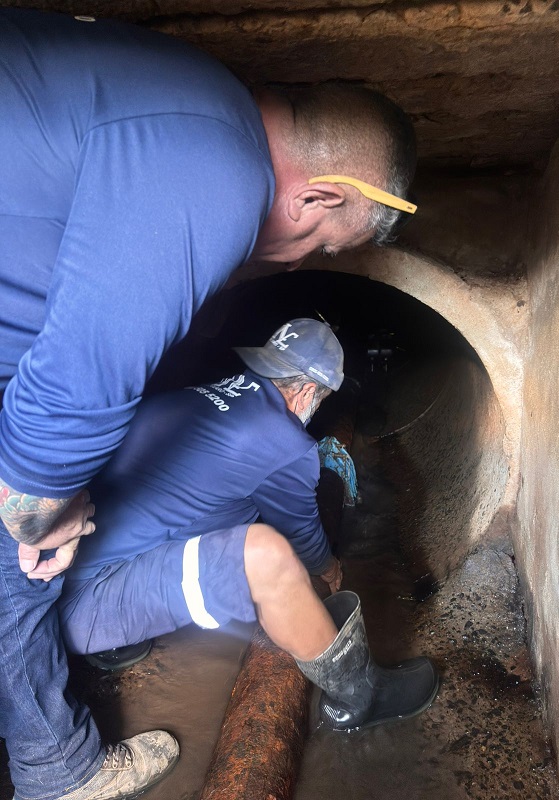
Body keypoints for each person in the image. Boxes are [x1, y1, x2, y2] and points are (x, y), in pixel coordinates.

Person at [0, 8, 417, 800]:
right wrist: (32, 508)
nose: (299, 261)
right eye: (324, 245)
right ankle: (357, 697)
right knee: (260, 555)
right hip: (70, 586)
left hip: (86, 553)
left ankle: (89, 678)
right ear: (318, 197)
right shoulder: (216, 168)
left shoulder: (178, 104)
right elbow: (79, 381)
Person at [56, 318, 438, 746]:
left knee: (219, 508)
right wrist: (329, 568)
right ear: (308, 391)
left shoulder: (190, 397)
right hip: (81, 608)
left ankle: (116, 644)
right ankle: (361, 696)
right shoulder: (284, 441)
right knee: (267, 557)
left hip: (50, 577)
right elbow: (304, 538)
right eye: (322, 399)